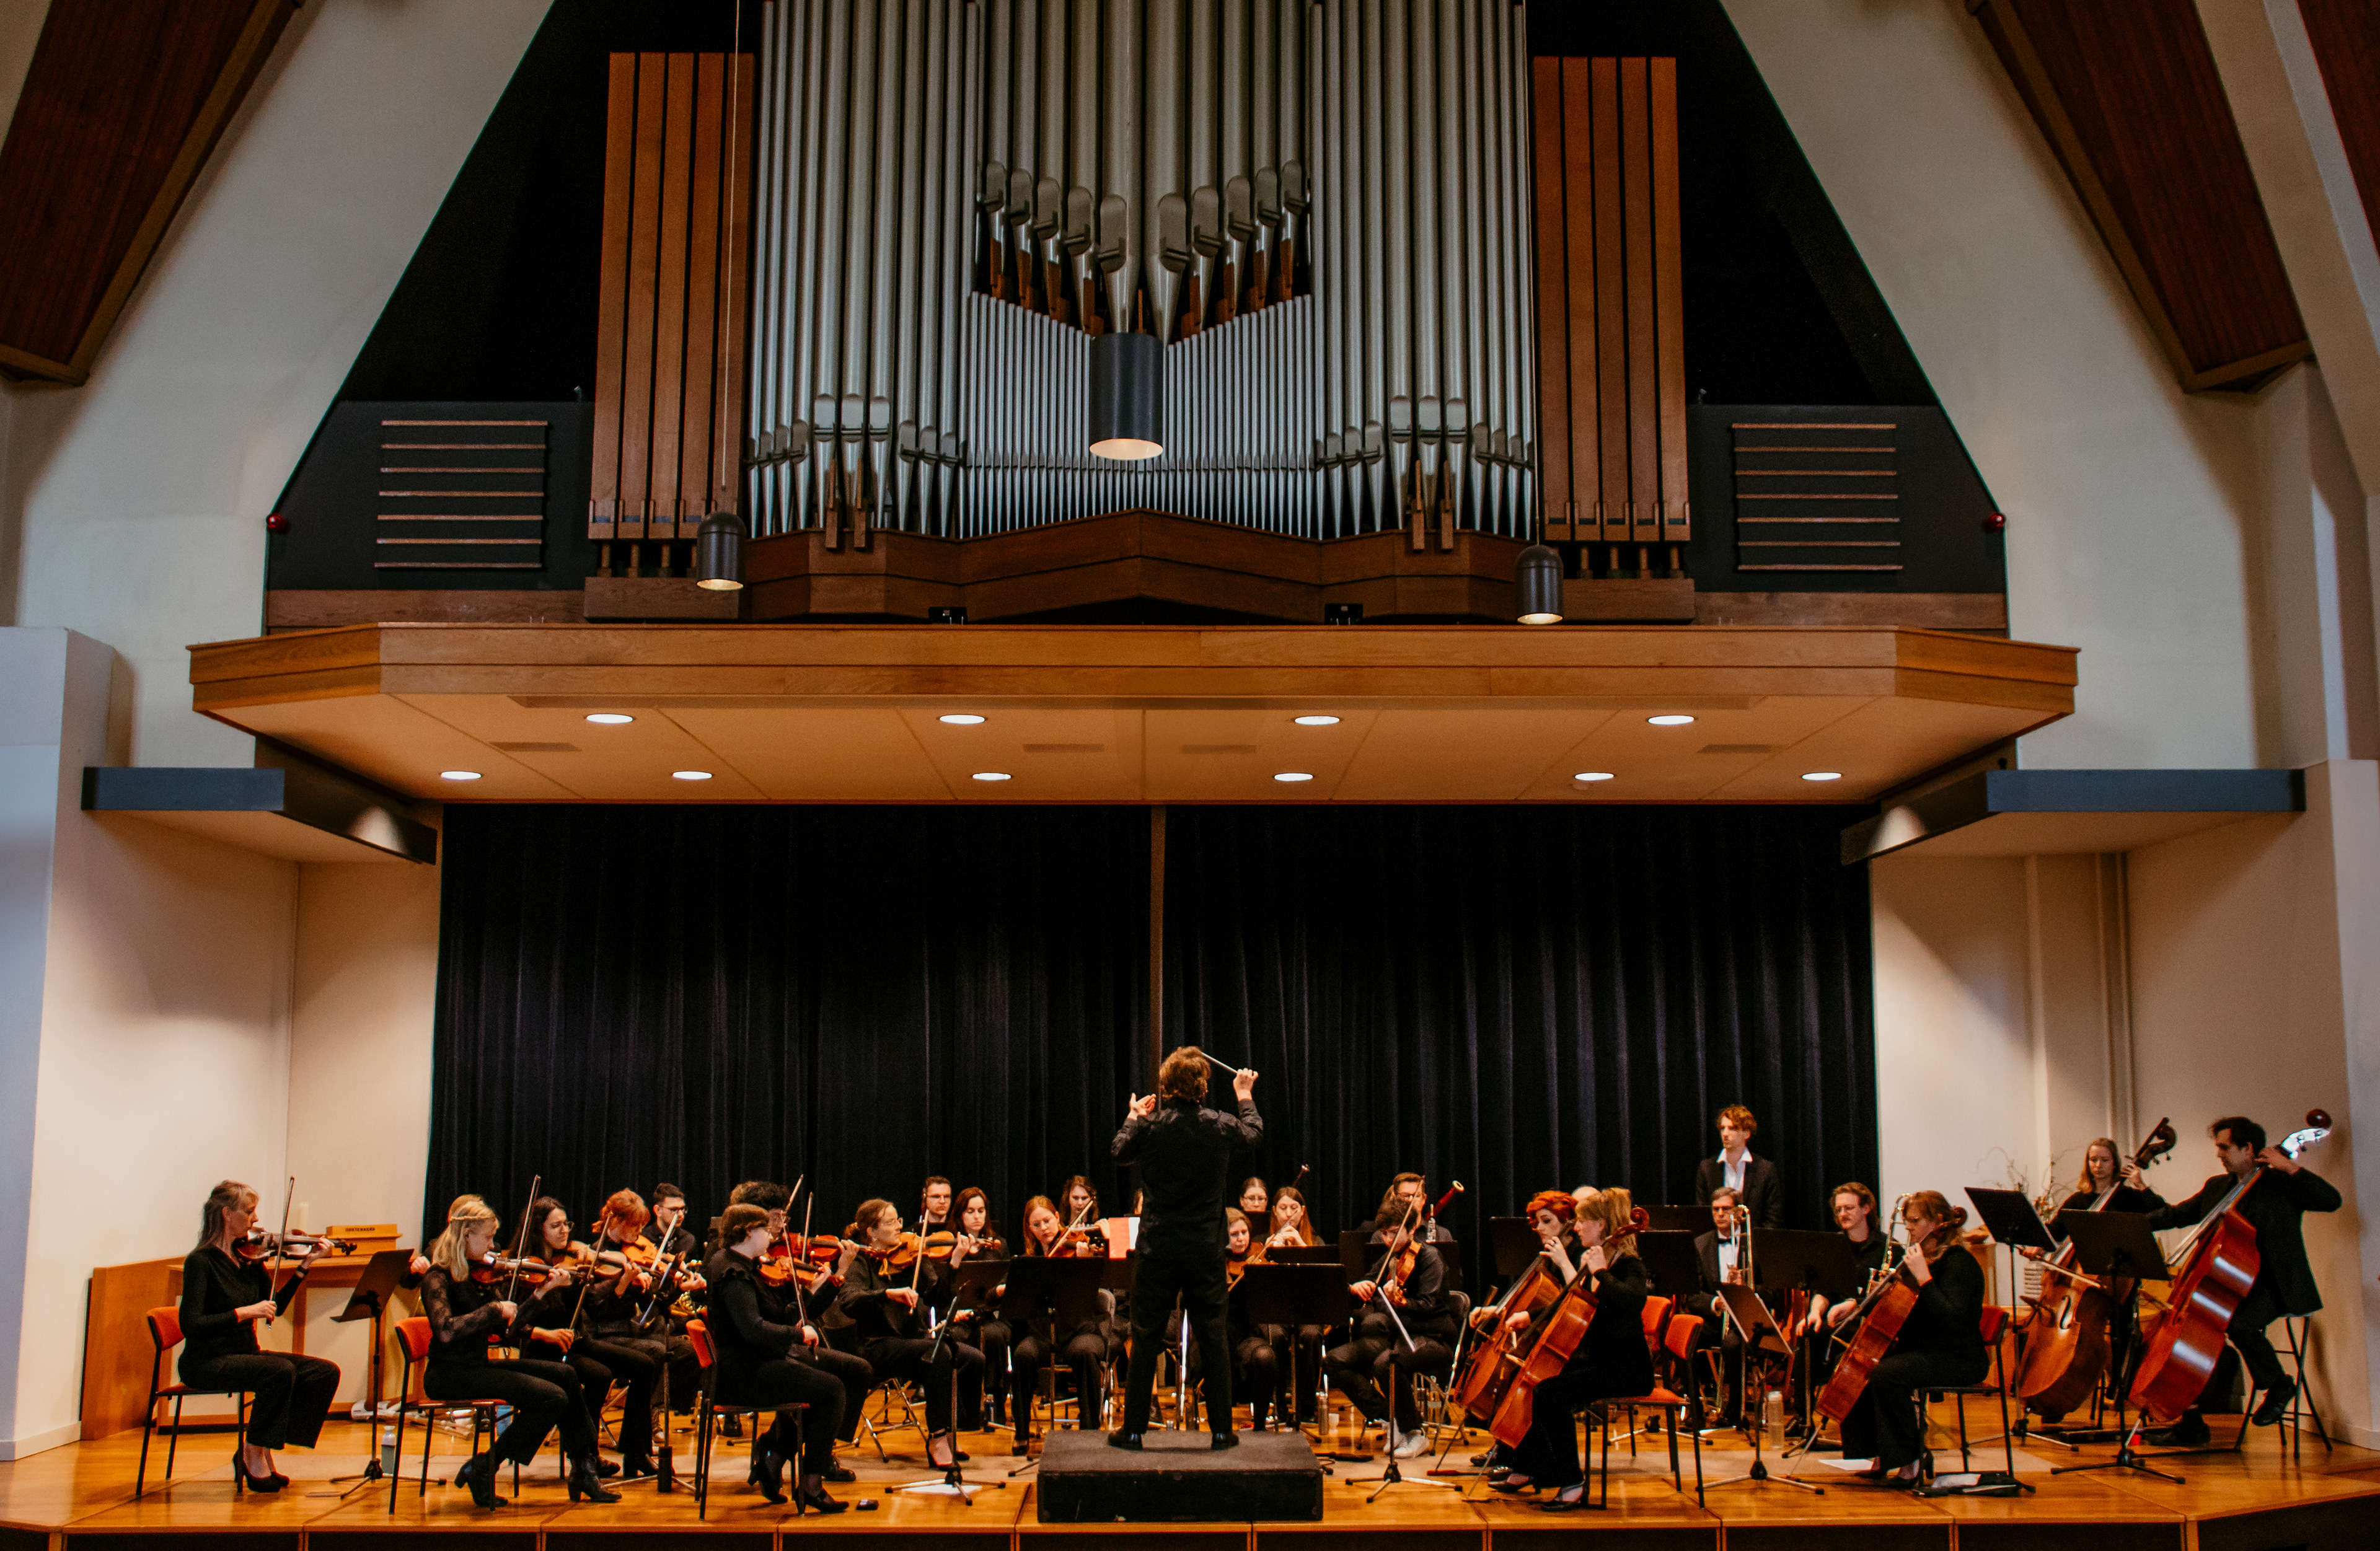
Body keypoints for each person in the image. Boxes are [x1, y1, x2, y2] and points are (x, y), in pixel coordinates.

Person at [2141, 1117, 2341, 1446]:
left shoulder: (2279, 1184)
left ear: (2248, 1149)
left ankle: (2278, 1386)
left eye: (2224, 1147)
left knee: (2239, 1325)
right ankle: (2190, 1421)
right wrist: (2131, 1224)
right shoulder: (2217, 1187)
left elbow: (2331, 1201)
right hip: (2232, 1283)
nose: (2219, 1154)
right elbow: (2176, 1215)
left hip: (2275, 1283)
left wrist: (2289, 1167)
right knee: (2196, 1333)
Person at [417, 1195, 619, 1508]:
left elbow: (510, 1332)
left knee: (565, 1374)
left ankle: (584, 1466)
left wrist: (541, 1293)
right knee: (552, 1397)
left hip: (479, 1366)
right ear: (466, 1235)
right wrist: (493, 1310)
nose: (493, 1245)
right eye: (487, 1237)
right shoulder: (438, 1277)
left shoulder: (481, 1277)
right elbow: (445, 1330)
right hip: (450, 1374)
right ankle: (487, 1466)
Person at [1108, 1046, 1264, 1449]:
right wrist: (1244, 1093)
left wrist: (1132, 1115)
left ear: (1166, 1086)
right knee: (1214, 1337)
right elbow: (1255, 1134)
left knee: (1145, 1337)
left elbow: (1118, 1151)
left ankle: (1135, 1429)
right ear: (1203, 1086)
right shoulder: (1219, 1123)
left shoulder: (1151, 1127)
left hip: (1158, 1247)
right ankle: (1223, 1430)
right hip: (1205, 1249)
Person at [1489, 1187, 1654, 1510]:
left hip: (1626, 1369)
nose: (1576, 1228)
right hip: (1599, 1361)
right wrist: (1531, 1316)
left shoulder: (1627, 1265)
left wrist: (1601, 1272)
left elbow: (1631, 1302)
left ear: (1602, 1225)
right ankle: (1531, 1467)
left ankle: (1571, 1483)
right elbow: (1573, 1305)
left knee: (1551, 1395)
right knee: (1532, 1381)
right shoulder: (1594, 1260)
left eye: (1582, 1221)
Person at [176, 1181, 342, 1492]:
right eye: (249, 1211)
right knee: (278, 1372)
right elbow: (191, 1324)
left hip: (245, 1354)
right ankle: (254, 1452)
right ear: (227, 1214)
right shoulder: (200, 1262)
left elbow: (274, 1308)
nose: (255, 1220)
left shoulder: (249, 1259)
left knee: (323, 1372)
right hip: (206, 1361)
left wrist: (306, 1265)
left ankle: (260, 1445)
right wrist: (244, 1312)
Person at [1832, 1192, 1985, 1485]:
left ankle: (1911, 1457)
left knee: (1886, 1374)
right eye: (1907, 1222)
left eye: (1915, 1221)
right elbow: (1907, 1314)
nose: (1910, 1229)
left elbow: (1952, 1321)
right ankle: (1877, 1453)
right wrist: (1880, 1295)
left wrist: (1924, 1279)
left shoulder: (1958, 1262)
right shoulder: (1919, 1259)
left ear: (1938, 1222)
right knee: (1857, 1363)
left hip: (1959, 1356)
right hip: (1923, 1350)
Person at [709, 1203, 850, 1510]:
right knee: (833, 1390)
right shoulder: (733, 1273)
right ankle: (811, 1484)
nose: (772, 1234)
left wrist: (814, 1292)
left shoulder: (744, 1265)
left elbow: (779, 1316)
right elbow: (753, 1330)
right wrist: (798, 1335)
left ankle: (774, 1464)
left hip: (756, 1362)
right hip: (743, 1373)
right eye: (765, 1229)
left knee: (821, 1387)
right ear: (748, 1232)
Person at [829, 1198, 981, 1467]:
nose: (900, 1227)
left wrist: (955, 1261)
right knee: (940, 1353)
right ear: (872, 1232)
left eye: (899, 1220)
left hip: (914, 1341)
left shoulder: (913, 1256)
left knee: (972, 1358)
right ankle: (938, 1438)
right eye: (890, 1222)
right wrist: (886, 1293)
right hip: (877, 1345)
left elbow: (938, 1298)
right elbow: (849, 1300)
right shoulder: (860, 1261)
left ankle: (956, 1430)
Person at [1323, 1199, 1459, 1458]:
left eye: (1395, 1231)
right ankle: (1390, 1417)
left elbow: (1429, 1305)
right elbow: (1368, 1291)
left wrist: (1400, 1300)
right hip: (1396, 1335)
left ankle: (1416, 1434)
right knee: (1334, 1361)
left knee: (1386, 1364)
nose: (1389, 1238)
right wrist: (1357, 1288)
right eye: (1385, 1233)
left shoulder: (1431, 1257)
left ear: (1411, 1229)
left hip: (1432, 1336)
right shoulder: (1390, 1259)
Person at [1010, 1194, 1115, 1452]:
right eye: (1036, 1225)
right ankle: (1022, 1432)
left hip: (1080, 1329)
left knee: (1084, 1352)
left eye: (1047, 1221)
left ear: (1057, 1218)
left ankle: (1090, 1429)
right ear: (1029, 1229)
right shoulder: (1028, 1261)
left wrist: (1085, 1262)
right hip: (1043, 1335)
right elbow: (1001, 1294)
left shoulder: (1078, 1247)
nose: (1044, 1228)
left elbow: (1105, 1274)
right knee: (1023, 1354)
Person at [943, 1187, 1011, 1428]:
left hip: (991, 1315)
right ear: (960, 1215)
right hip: (960, 1317)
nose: (977, 1216)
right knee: (957, 1340)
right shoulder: (949, 1246)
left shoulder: (999, 1245)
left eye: (981, 1211)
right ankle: (965, 1410)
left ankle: (995, 1405)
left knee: (994, 1335)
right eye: (970, 1211)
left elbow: (1004, 1283)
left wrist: (1000, 1292)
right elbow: (945, 1288)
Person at [1684, 1186, 1747, 1428]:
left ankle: (1734, 1410)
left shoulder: (1752, 1241)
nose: (1720, 1214)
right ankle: (1695, 1408)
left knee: (1733, 1344)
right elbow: (1693, 1294)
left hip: (1746, 1317)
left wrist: (1745, 1290)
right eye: (1716, 1209)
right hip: (1715, 1317)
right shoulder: (1700, 1244)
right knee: (1683, 1336)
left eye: (1726, 1209)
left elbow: (1771, 1292)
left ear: (1739, 1213)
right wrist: (1716, 1303)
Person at [1694, 1105, 1781, 1229]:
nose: (1725, 1133)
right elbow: (1702, 1215)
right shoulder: (1707, 1168)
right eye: (1722, 1128)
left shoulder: (1765, 1170)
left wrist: (1752, 1244)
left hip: (1753, 1243)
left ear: (1746, 1133)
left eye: (1732, 1128)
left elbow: (1773, 1218)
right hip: (1718, 1243)